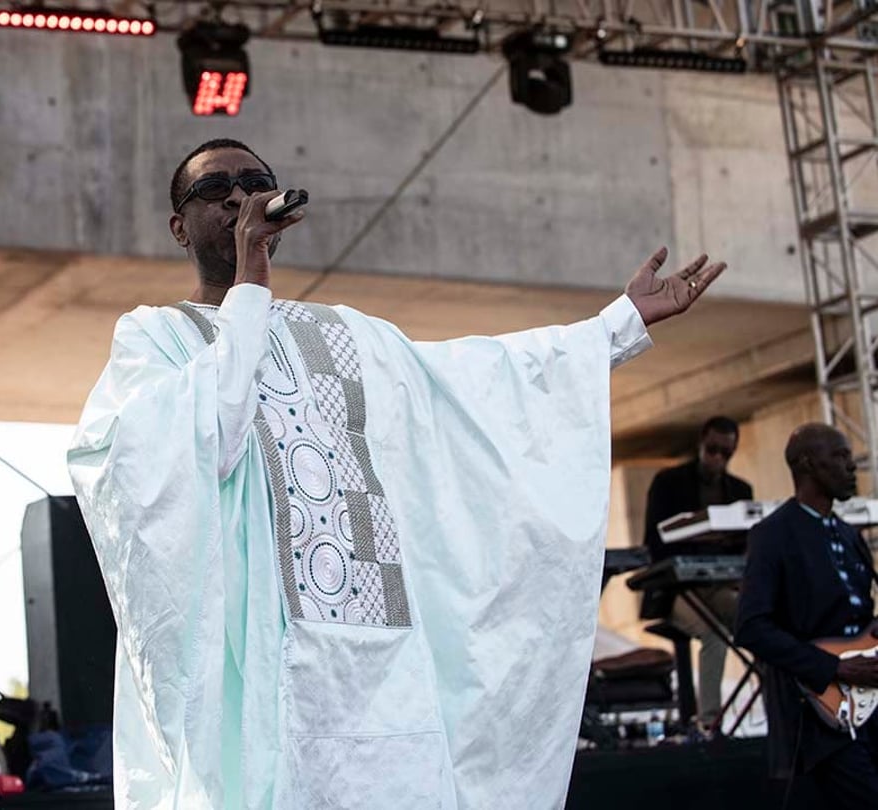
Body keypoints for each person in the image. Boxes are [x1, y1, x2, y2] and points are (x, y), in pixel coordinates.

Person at [66, 138, 726, 809]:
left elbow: (473, 383)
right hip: (263, 668)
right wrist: (247, 288)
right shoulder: (156, 338)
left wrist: (617, 325)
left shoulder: (344, 334)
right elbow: (168, 453)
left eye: (254, 180)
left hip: (383, 667)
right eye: (215, 188)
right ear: (179, 226)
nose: (239, 195)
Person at [736, 424, 878, 807]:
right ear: (807, 464)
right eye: (840, 456)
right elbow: (752, 627)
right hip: (816, 715)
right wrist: (834, 667)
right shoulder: (773, 535)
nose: (852, 466)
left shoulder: (850, 536)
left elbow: (861, 619)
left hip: (868, 702)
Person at [642, 416, 754, 728]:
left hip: (719, 586)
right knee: (713, 635)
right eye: (712, 449)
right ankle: (709, 724)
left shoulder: (740, 490)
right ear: (700, 443)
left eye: (725, 453)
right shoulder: (668, 482)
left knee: (759, 624)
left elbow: (746, 542)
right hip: (675, 589)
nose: (717, 458)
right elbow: (654, 541)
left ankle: (783, 704)